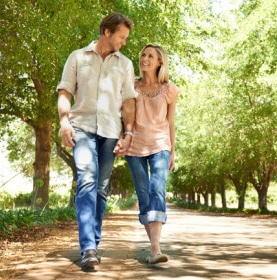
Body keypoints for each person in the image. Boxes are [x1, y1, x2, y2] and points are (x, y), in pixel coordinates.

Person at [57, 12, 136, 268]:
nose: (123, 42)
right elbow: (65, 91)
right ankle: (88, 247)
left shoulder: (125, 64)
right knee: (87, 180)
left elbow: (127, 102)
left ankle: (94, 242)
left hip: (111, 131)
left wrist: (129, 133)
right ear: (107, 32)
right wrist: (64, 122)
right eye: (121, 37)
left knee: (101, 188)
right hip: (82, 127)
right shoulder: (77, 57)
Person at [121, 44, 179, 264]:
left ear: (159, 62)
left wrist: (173, 150)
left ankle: (155, 248)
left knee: (157, 189)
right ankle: (153, 247)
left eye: (150, 56)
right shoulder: (130, 87)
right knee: (143, 193)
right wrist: (122, 138)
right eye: (143, 55)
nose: (145, 58)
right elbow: (124, 116)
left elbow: (170, 122)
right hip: (135, 146)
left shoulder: (169, 90)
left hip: (160, 144)